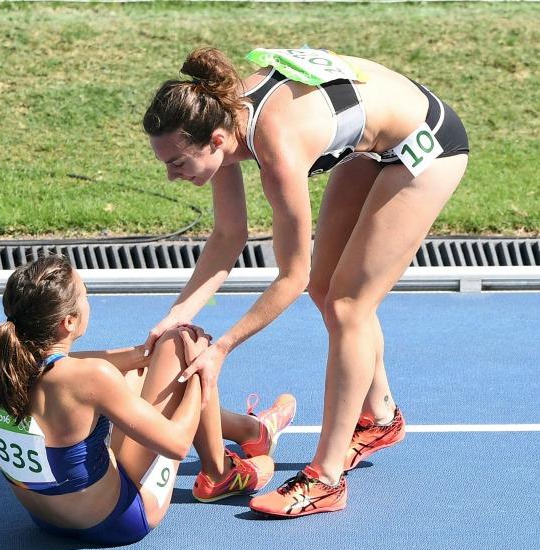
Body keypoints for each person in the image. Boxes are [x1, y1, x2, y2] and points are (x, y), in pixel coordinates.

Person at [142, 47, 469, 517]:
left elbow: (292, 276)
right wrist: (176, 316)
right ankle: (380, 417)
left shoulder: (277, 148)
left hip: (428, 144)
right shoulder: (221, 117)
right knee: (327, 288)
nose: (172, 176)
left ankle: (326, 479)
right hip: (372, 143)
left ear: (216, 140)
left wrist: (221, 349)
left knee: (347, 306)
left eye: (177, 163)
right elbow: (229, 235)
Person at [0, 255, 293, 545]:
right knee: (181, 342)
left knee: (135, 375)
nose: (88, 301)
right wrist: (199, 369)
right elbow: (178, 444)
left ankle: (250, 431)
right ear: (68, 322)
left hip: (46, 518)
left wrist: (137, 356)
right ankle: (220, 473)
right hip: (120, 519)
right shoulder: (93, 377)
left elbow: (63, 367)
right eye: (85, 295)